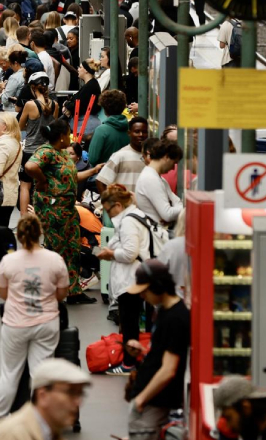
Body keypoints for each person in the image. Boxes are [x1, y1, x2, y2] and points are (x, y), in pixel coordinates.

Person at [0, 216, 69, 433]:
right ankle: (43, 421)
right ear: (40, 233)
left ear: (19, 235)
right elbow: (62, 293)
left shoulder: (8, 261)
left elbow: (4, 293)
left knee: (10, 372)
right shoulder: (55, 259)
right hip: (46, 322)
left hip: (16, 324)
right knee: (41, 373)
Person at [25, 119, 101, 305]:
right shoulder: (47, 151)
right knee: (55, 249)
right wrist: (42, 181)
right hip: (53, 210)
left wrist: (93, 171)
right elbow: (30, 166)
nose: (70, 137)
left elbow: (73, 177)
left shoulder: (63, 154)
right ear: (61, 137)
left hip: (67, 210)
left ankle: (73, 291)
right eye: (68, 133)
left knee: (72, 249)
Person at [125, 260, 191, 440]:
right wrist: (144, 352)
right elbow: (164, 353)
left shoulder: (176, 318)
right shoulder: (165, 311)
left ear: (157, 286)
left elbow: (169, 369)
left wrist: (141, 399)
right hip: (151, 400)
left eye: (145, 291)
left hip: (154, 402)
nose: (142, 296)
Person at [95, 185, 153, 375]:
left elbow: (130, 253)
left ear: (118, 205)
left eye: (108, 209)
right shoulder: (136, 216)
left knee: (129, 323)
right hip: (137, 276)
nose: (108, 214)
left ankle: (129, 363)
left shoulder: (128, 222)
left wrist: (111, 254)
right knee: (133, 322)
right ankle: (137, 359)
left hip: (131, 279)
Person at [0, 358, 91, 440]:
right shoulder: (13, 435)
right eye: (70, 393)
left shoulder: (50, 432)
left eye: (80, 394)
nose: (78, 402)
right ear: (43, 395)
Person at [17, 72, 58, 214]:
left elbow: (19, 126)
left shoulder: (30, 105)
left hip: (30, 151)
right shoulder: (55, 105)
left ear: (33, 87)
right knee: (45, 184)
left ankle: (24, 219)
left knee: (25, 186)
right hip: (47, 152)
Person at [135, 139, 184, 229]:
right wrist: (186, 208)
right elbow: (168, 214)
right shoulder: (150, 179)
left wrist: (176, 208)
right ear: (166, 157)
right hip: (156, 234)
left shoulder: (158, 178)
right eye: (174, 163)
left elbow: (176, 202)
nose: (173, 168)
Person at [96, 117, 149, 194]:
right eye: (137, 132)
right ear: (129, 133)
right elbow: (101, 181)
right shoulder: (120, 155)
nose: (141, 135)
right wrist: (109, 204)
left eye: (144, 132)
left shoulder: (152, 156)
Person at [87, 90, 130, 168]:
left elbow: (93, 159)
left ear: (104, 107)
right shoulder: (130, 128)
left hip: (104, 174)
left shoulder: (101, 130)